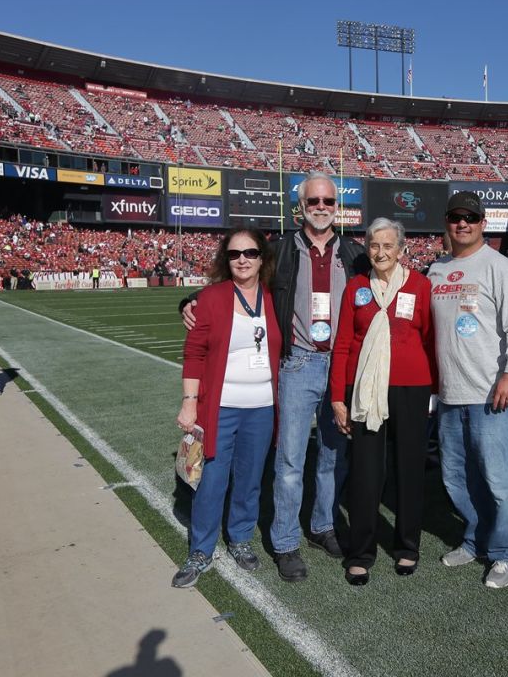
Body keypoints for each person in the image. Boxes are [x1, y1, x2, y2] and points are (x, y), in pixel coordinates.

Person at [181, 171, 369, 582]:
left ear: (338, 207)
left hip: (341, 367)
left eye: (328, 202)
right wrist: (190, 301)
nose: (321, 208)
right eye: (313, 202)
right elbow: (234, 283)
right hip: (297, 365)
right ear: (299, 206)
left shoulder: (356, 254)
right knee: (289, 460)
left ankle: (322, 526)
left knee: (334, 457)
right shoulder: (280, 250)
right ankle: (285, 542)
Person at [427, 191, 508, 589]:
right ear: (448, 222)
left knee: (499, 479)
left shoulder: (499, 267)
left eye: (471, 217)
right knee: (457, 477)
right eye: (456, 217)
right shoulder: (436, 269)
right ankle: (475, 538)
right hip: (450, 394)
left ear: (483, 223)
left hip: (490, 392)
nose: (463, 224)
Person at [172, 228, 282, 588]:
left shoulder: (274, 296)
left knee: (250, 479)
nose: (243, 259)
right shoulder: (212, 297)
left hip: (263, 406)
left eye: (250, 253)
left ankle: (239, 537)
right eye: (235, 254)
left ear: (262, 258)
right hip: (220, 406)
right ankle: (201, 549)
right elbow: (194, 354)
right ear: (226, 259)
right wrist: (190, 403)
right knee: (212, 479)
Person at [330, 218, 435, 586]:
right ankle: (361, 552)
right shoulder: (357, 288)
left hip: (412, 388)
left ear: (402, 249)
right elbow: (342, 344)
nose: (381, 252)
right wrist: (338, 398)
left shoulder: (421, 286)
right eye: (375, 245)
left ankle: (407, 547)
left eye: (388, 245)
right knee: (366, 473)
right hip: (365, 391)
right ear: (367, 247)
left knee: (409, 470)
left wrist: (432, 391)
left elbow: (429, 339)